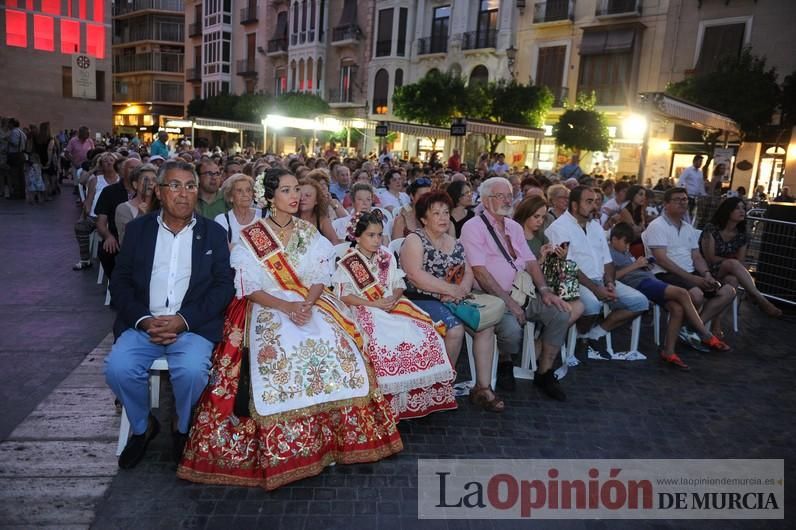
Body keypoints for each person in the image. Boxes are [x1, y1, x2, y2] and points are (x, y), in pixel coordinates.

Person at [177, 168, 403, 490]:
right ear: (269, 197)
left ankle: (333, 438)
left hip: (306, 301)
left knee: (336, 343)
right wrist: (286, 307)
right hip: (266, 304)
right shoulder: (251, 236)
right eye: (285, 190)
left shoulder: (309, 233)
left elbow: (319, 277)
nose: (295, 196)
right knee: (278, 351)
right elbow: (248, 286)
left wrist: (308, 305)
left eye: (296, 189)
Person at [105, 160, 235, 469]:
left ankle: (182, 429)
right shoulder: (139, 230)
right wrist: (145, 320)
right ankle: (142, 427)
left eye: (190, 186)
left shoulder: (213, 234)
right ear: (159, 192)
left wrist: (183, 320)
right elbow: (119, 281)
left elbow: (223, 287)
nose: (183, 194)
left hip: (191, 327)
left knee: (192, 371)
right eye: (174, 186)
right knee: (118, 369)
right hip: (143, 325)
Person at [333, 210, 456, 420]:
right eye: (371, 235)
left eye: (380, 235)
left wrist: (393, 298)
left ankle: (414, 398)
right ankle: (386, 403)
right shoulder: (349, 262)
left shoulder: (387, 257)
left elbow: (399, 285)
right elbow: (345, 296)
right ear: (357, 236)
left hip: (391, 304)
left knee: (424, 331)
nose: (377, 240)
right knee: (381, 339)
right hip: (363, 308)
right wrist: (374, 303)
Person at [461, 177, 572, 400]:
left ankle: (544, 371)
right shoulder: (473, 227)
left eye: (509, 195)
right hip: (491, 296)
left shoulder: (513, 226)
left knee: (561, 312)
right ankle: (505, 360)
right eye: (500, 195)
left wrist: (545, 290)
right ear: (485, 200)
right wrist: (509, 303)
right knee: (512, 331)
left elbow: (531, 261)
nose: (507, 200)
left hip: (524, 292)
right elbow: (480, 272)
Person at [400, 191, 504, 412]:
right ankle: (441, 387)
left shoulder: (455, 242)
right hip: (420, 298)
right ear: (423, 219)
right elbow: (415, 275)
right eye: (435, 213)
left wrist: (462, 289)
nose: (443, 217)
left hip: (453, 298)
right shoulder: (414, 240)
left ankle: (483, 388)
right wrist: (450, 290)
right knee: (454, 330)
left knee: (485, 325)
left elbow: (467, 270)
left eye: (446, 212)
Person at [546, 186, 649, 359]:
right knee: (593, 305)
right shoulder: (559, 227)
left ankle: (592, 334)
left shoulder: (595, 227)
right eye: (589, 202)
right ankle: (580, 336)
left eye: (595, 201)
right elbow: (569, 265)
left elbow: (607, 261)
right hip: (573, 280)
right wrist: (596, 289)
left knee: (640, 302)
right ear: (575, 205)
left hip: (600, 279)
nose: (594, 206)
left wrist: (609, 283)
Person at [610, 223, 730, 371]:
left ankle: (669, 351)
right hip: (639, 284)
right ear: (614, 239)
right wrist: (635, 266)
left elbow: (631, 266)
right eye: (625, 242)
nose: (628, 247)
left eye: (629, 243)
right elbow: (611, 277)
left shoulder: (624, 252)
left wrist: (642, 265)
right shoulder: (609, 253)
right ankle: (705, 333)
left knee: (677, 308)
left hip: (649, 280)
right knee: (682, 293)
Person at [643, 187, 737, 340]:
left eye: (685, 199)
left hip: (689, 274)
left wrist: (706, 274)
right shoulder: (657, 225)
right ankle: (694, 330)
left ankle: (690, 328)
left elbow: (697, 256)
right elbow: (661, 260)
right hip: (665, 274)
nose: (682, 202)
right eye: (677, 199)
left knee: (728, 291)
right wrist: (693, 279)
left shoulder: (688, 228)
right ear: (666, 204)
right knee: (697, 294)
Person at [699, 197, 782, 317]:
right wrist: (731, 262)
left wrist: (732, 263)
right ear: (728, 211)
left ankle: (714, 322)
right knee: (732, 264)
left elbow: (740, 261)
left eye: (743, 208)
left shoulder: (742, 235)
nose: (742, 211)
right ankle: (759, 298)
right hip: (705, 269)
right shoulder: (711, 229)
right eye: (737, 208)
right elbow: (710, 258)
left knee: (733, 279)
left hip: (725, 271)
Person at [94, 157, 142, 279]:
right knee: (107, 250)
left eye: (139, 168)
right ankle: (117, 284)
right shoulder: (109, 191)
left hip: (142, 236)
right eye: (132, 168)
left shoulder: (147, 191)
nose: (136, 171)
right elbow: (100, 222)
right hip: (117, 235)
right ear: (122, 171)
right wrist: (108, 236)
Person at [73, 152, 119, 271]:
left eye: (111, 160)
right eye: (105, 161)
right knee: (80, 226)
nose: (108, 163)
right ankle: (85, 260)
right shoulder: (95, 180)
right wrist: (85, 213)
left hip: (115, 217)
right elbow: (89, 200)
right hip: (96, 216)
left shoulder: (121, 180)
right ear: (101, 165)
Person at [213, 173, 264, 247]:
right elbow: (223, 249)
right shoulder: (222, 220)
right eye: (239, 191)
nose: (245, 194)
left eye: (248, 190)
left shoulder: (264, 215)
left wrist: (234, 246)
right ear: (230, 197)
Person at [115, 163, 159, 245]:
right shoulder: (123, 208)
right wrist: (140, 216)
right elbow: (126, 241)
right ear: (135, 185)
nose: (150, 183)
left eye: (154, 180)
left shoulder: (162, 206)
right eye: (146, 180)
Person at [297, 176, 340, 244]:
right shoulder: (288, 218)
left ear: (316, 200)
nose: (302, 198)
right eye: (299, 195)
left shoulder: (322, 220)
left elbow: (335, 241)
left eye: (307, 195)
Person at [618, 185, 649, 255]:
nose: (644, 197)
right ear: (632, 195)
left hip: (634, 240)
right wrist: (641, 228)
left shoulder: (639, 209)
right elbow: (635, 230)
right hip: (623, 243)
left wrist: (641, 228)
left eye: (644, 195)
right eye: (641, 194)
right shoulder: (625, 210)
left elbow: (642, 229)